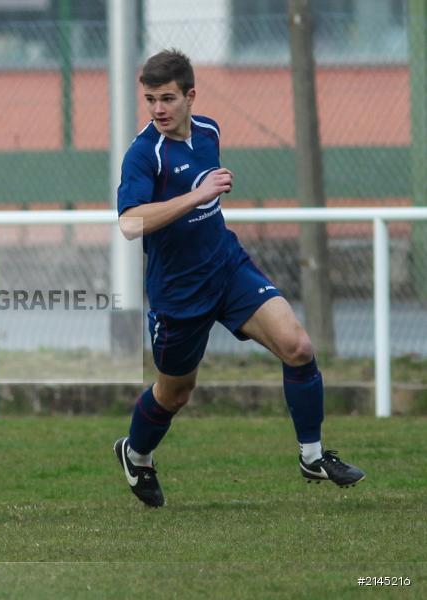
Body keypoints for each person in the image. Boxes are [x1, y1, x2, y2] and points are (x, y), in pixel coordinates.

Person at [112, 49, 365, 508]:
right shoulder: (143, 155)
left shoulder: (208, 131)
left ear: (191, 95)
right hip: (179, 294)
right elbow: (130, 223)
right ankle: (136, 453)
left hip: (228, 268)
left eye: (167, 98)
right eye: (150, 99)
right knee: (175, 392)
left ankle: (312, 456)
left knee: (298, 347)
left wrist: (203, 199)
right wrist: (197, 195)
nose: (158, 109)